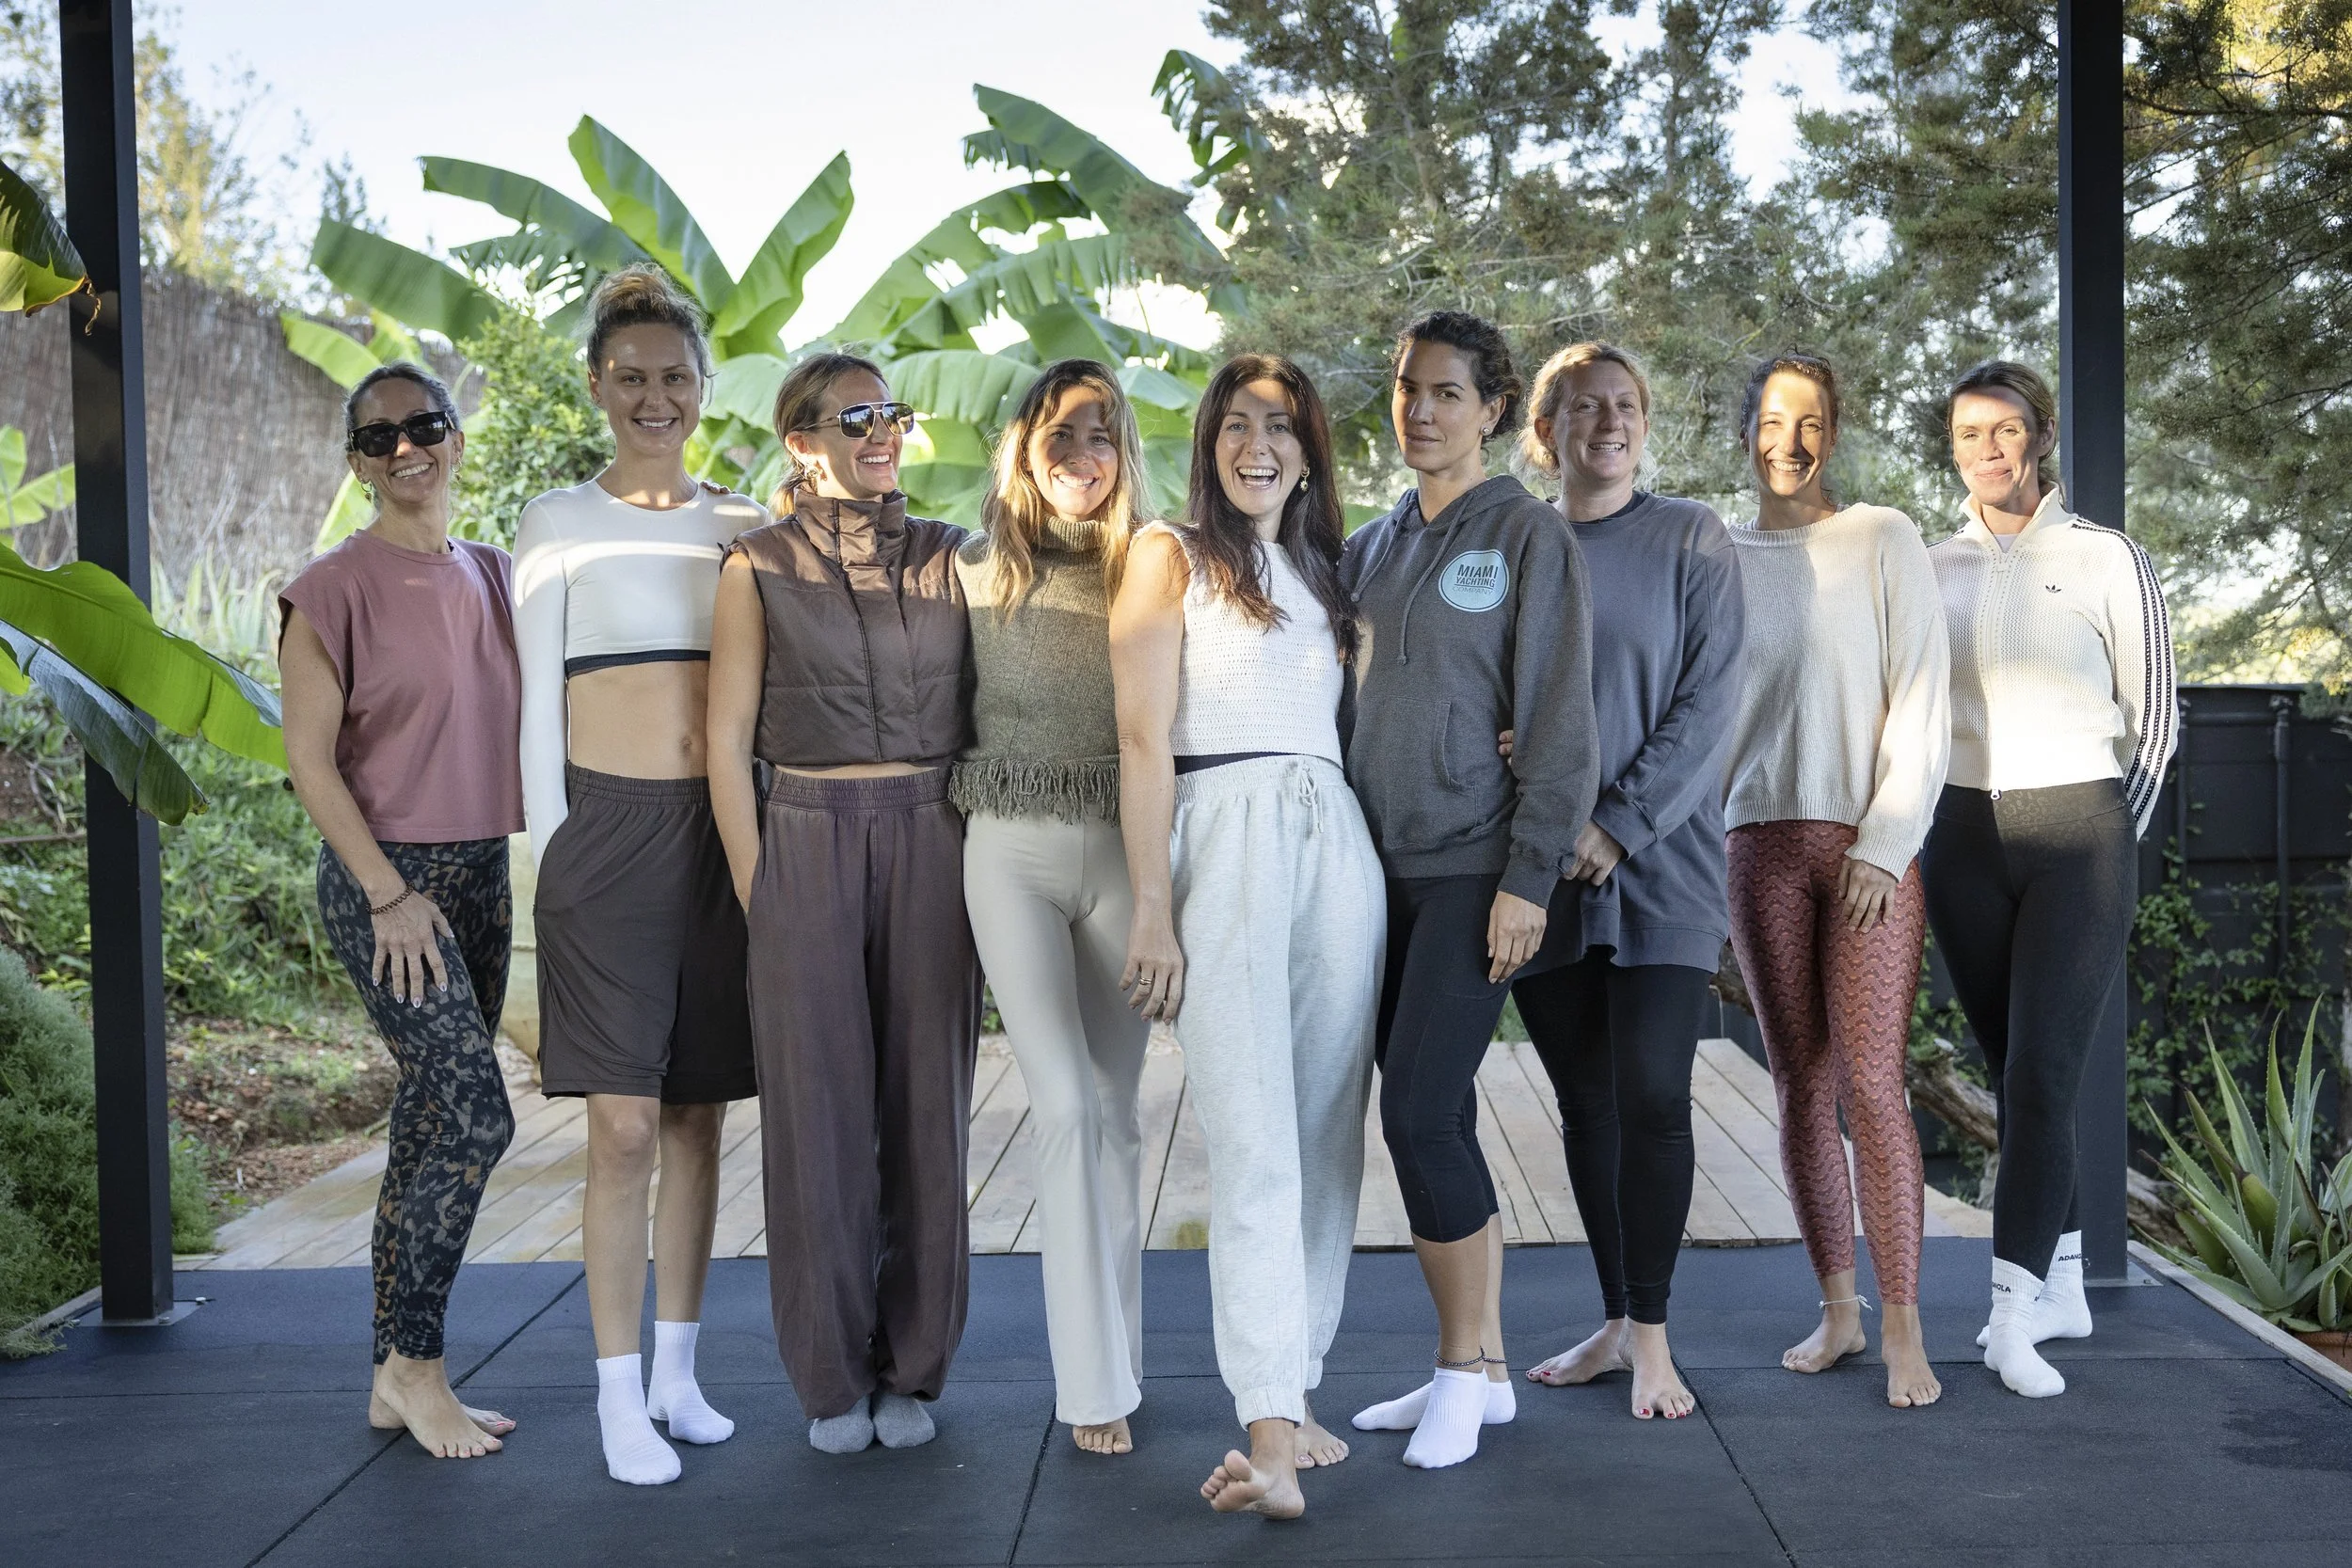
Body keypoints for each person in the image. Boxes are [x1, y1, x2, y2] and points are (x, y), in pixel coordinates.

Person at [1111, 354, 1384, 1518]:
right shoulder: (1165, 552)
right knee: (1255, 1142)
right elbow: (1136, 738)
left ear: (1310, 448)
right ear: (1209, 442)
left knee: (1328, 1135)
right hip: (1218, 838)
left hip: (1337, 841)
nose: (1257, 443)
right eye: (1236, 424)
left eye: (1280, 426)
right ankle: (1266, 1430)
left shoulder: (1328, 570)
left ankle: (1298, 1386)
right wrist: (1153, 908)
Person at [512, 266, 762, 1485]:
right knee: (618, 1127)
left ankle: (678, 1370)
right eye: (632, 377)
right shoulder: (556, 522)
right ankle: (617, 1394)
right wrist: (555, 844)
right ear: (598, 385)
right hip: (601, 841)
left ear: (703, 388)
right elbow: (530, 705)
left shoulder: (746, 523)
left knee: (697, 1115)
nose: (654, 395)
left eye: (675, 376)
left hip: (722, 841)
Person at [1341, 311, 1600, 1470]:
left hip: (1474, 868)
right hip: (1366, 871)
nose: (1422, 410)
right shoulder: (1370, 541)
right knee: (1421, 1115)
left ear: (1492, 409)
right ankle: (1481, 1371)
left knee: (1420, 1112)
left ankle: (1460, 1373)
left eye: (1447, 392)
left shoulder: (1530, 536)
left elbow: (1557, 715)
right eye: (1408, 389)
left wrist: (1527, 875)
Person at [707, 354, 980, 1454]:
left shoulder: (954, 555)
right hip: (805, 839)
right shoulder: (755, 565)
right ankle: (830, 1376)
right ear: (801, 440)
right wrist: (758, 884)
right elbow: (724, 742)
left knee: (927, 1113)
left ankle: (913, 1369)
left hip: (934, 837)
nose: (880, 432)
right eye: (853, 416)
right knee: (817, 1119)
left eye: (890, 413)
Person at [279, 362, 519, 1461]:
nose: (405, 448)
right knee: (477, 1117)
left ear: (457, 437)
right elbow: (309, 763)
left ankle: (389, 1371)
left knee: (426, 1121)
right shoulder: (331, 586)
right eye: (379, 439)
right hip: (390, 887)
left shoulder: (499, 573)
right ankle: (419, 1366)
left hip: (481, 872)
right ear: (358, 461)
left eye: (424, 426)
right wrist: (388, 894)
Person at [1501, 343, 1744, 1421]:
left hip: (1666, 863)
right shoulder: (1515, 538)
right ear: (1543, 430)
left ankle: (1653, 1334)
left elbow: (1711, 698)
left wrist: (1622, 819)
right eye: (1584, 407)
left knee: (1652, 1093)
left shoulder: (1689, 532)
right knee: (1586, 1100)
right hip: (1539, 864)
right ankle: (1613, 1315)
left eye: (1625, 405)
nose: (1608, 421)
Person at [1924, 359, 2175, 1400]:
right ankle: (2064, 1277)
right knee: (2014, 1069)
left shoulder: (2105, 556)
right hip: (1960, 836)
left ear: (2042, 436)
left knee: (2038, 1075)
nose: (1988, 448)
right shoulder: (1929, 564)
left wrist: (2114, 836)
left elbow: (2155, 712)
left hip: (2078, 832)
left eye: (2006, 428)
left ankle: (2009, 1314)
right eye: (1968, 432)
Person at [1721, 353, 1949, 1410]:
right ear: (1746, 429)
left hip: (1866, 849)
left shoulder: (1882, 537)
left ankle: (1906, 1326)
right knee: (1798, 1083)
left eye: (1808, 421)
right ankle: (1839, 1312)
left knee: (1868, 1078)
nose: (1789, 441)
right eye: (1772, 419)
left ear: (1835, 431)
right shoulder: (1714, 556)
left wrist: (1886, 840)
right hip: (1756, 844)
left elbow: (1920, 700)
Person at [953, 360, 1153, 1457]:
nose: (1084, 457)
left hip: (1126, 856)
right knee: (1068, 1104)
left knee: (1121, 1114)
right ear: (1024, 446)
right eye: (1063, 435)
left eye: (1103, 435)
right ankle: (1091, 1385)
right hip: (1008, 851)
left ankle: (1120, 1347)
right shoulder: (970, 571)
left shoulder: (1154, 567)